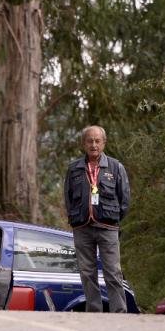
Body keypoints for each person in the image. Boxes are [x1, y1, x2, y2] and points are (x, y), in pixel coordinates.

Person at [64, 125, 131, 312]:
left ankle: (119, 312)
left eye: (97, 140)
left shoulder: (116, 167)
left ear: (103, 143)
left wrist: (113, 218)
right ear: (84, 144)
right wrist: (75, 218)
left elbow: (124, 199)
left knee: (113, 272)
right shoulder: (74, 169)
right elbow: (68, 198)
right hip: (82, 227)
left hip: (108, 227)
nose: (93, 144)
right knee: (87, 273)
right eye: (89, 141)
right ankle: (94, 312)